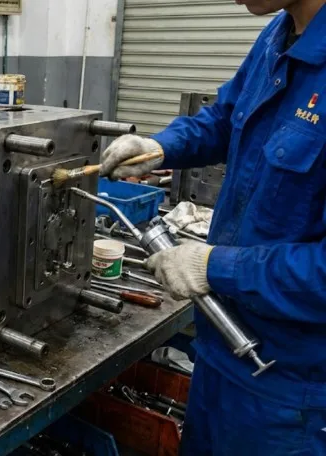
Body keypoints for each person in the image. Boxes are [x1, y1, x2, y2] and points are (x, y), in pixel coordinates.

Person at [99, 0, 326, 454]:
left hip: (291, 390)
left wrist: (216, 267)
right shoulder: (279, 34)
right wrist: (159, 147)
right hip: (220, 350)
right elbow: (226, 118)